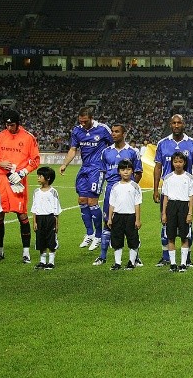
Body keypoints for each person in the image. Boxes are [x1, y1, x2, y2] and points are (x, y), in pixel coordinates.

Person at [60, 106, 113, 251]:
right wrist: (65, 164)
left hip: (98, 168)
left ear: (91, 118)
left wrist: (111, 165)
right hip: (85, 168)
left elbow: (113, 146)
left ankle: (98, 235)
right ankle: (89, 233)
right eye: (80, 121)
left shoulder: (102, 129)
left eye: (85, 121)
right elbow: (73, 149)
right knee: (82, 200)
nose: (82, 124)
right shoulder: (77, 130)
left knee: (92, 201)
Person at [0, 109, 40, 263]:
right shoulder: (0, 136)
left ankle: (26, 252)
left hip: (17, 180)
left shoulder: (28, 137)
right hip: (1, 180)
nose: (9, 127)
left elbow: (35, 160)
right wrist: (0, 163)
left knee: (22, 215)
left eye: (12, 124)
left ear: (18, 123)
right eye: (7, 125)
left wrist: (22, 172)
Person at [153, 114, 193, 267]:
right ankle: (166, 257)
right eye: (174, 123)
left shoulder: (192, 144)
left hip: (185, 192)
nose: (176, 125)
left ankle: (187, 259)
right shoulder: (162, 143)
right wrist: (156, 189)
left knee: (187, 225)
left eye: (179, 123)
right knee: (165, 223)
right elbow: (158, 167)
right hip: (169, 192)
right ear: (170, 125)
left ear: (183, 124)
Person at [93, 124, 143, 267]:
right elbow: (102, 173)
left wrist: (130, 187)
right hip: (110, 189)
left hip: (128, 191)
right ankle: (102, 256)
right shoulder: (106, 152)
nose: (113, 134)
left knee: (132, 225)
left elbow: (138, 172)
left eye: (117, 132)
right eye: (112, 132)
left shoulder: (133, 152)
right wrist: (98, 192)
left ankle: (135, 258)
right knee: (108, 222)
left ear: (124, 134)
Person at [161, 152, 193, 273]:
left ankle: (183, 264)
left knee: (184, 236)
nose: (178, 164)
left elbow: (191, 197)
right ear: (172, 163)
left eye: (180, 161)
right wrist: (164, 213)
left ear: (184, 163)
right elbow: (165, 197)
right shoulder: (168, 177)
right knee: (170, 237)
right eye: (175, 161)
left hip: (183, 206)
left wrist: (190, 213)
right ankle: (173, 264)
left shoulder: (189, 177)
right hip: (171, 206)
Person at [107, 159, 142, 271]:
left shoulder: (135, 186)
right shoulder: (115, 186)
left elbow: (137, 204)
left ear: (132, 171)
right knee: (117, 239)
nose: (125, 172)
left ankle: (131, 262)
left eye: (128, 169)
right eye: (123, 170)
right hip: (118, 216)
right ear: (119, 171)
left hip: (131, 216)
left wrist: (137, 219)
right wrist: (109, 218)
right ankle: (117, 263)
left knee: (133, 239)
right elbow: (111, 204)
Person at [30, 166, 62, 270]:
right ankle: (42, 261)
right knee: (40, 240)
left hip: (50, 219)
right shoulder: (36, 192)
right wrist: (34, 222)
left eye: (40, 176)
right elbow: (34, 207)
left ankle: (51, 262)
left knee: (51, 240)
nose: (38, 178)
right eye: (38, 176)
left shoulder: (53, 192)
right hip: (39, 219)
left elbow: (56, 208)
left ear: (48, 178)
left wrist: (56, 223)